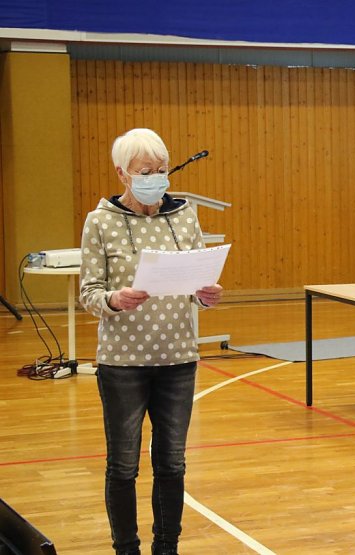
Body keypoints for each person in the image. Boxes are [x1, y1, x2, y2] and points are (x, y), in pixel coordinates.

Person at [80, 128, 223, 555]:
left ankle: (167, 547)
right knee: (123, 466)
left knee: (172, 463)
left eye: (162, 170)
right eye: (146, 171)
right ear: (123, 174)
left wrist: (207, 293)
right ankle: (126, 549)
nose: (156, 178)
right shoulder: (100, 220)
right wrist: (114, 299)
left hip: (178, 359)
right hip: (122, 364)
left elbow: (200, 277)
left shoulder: (185, 216)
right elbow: (89, 292)